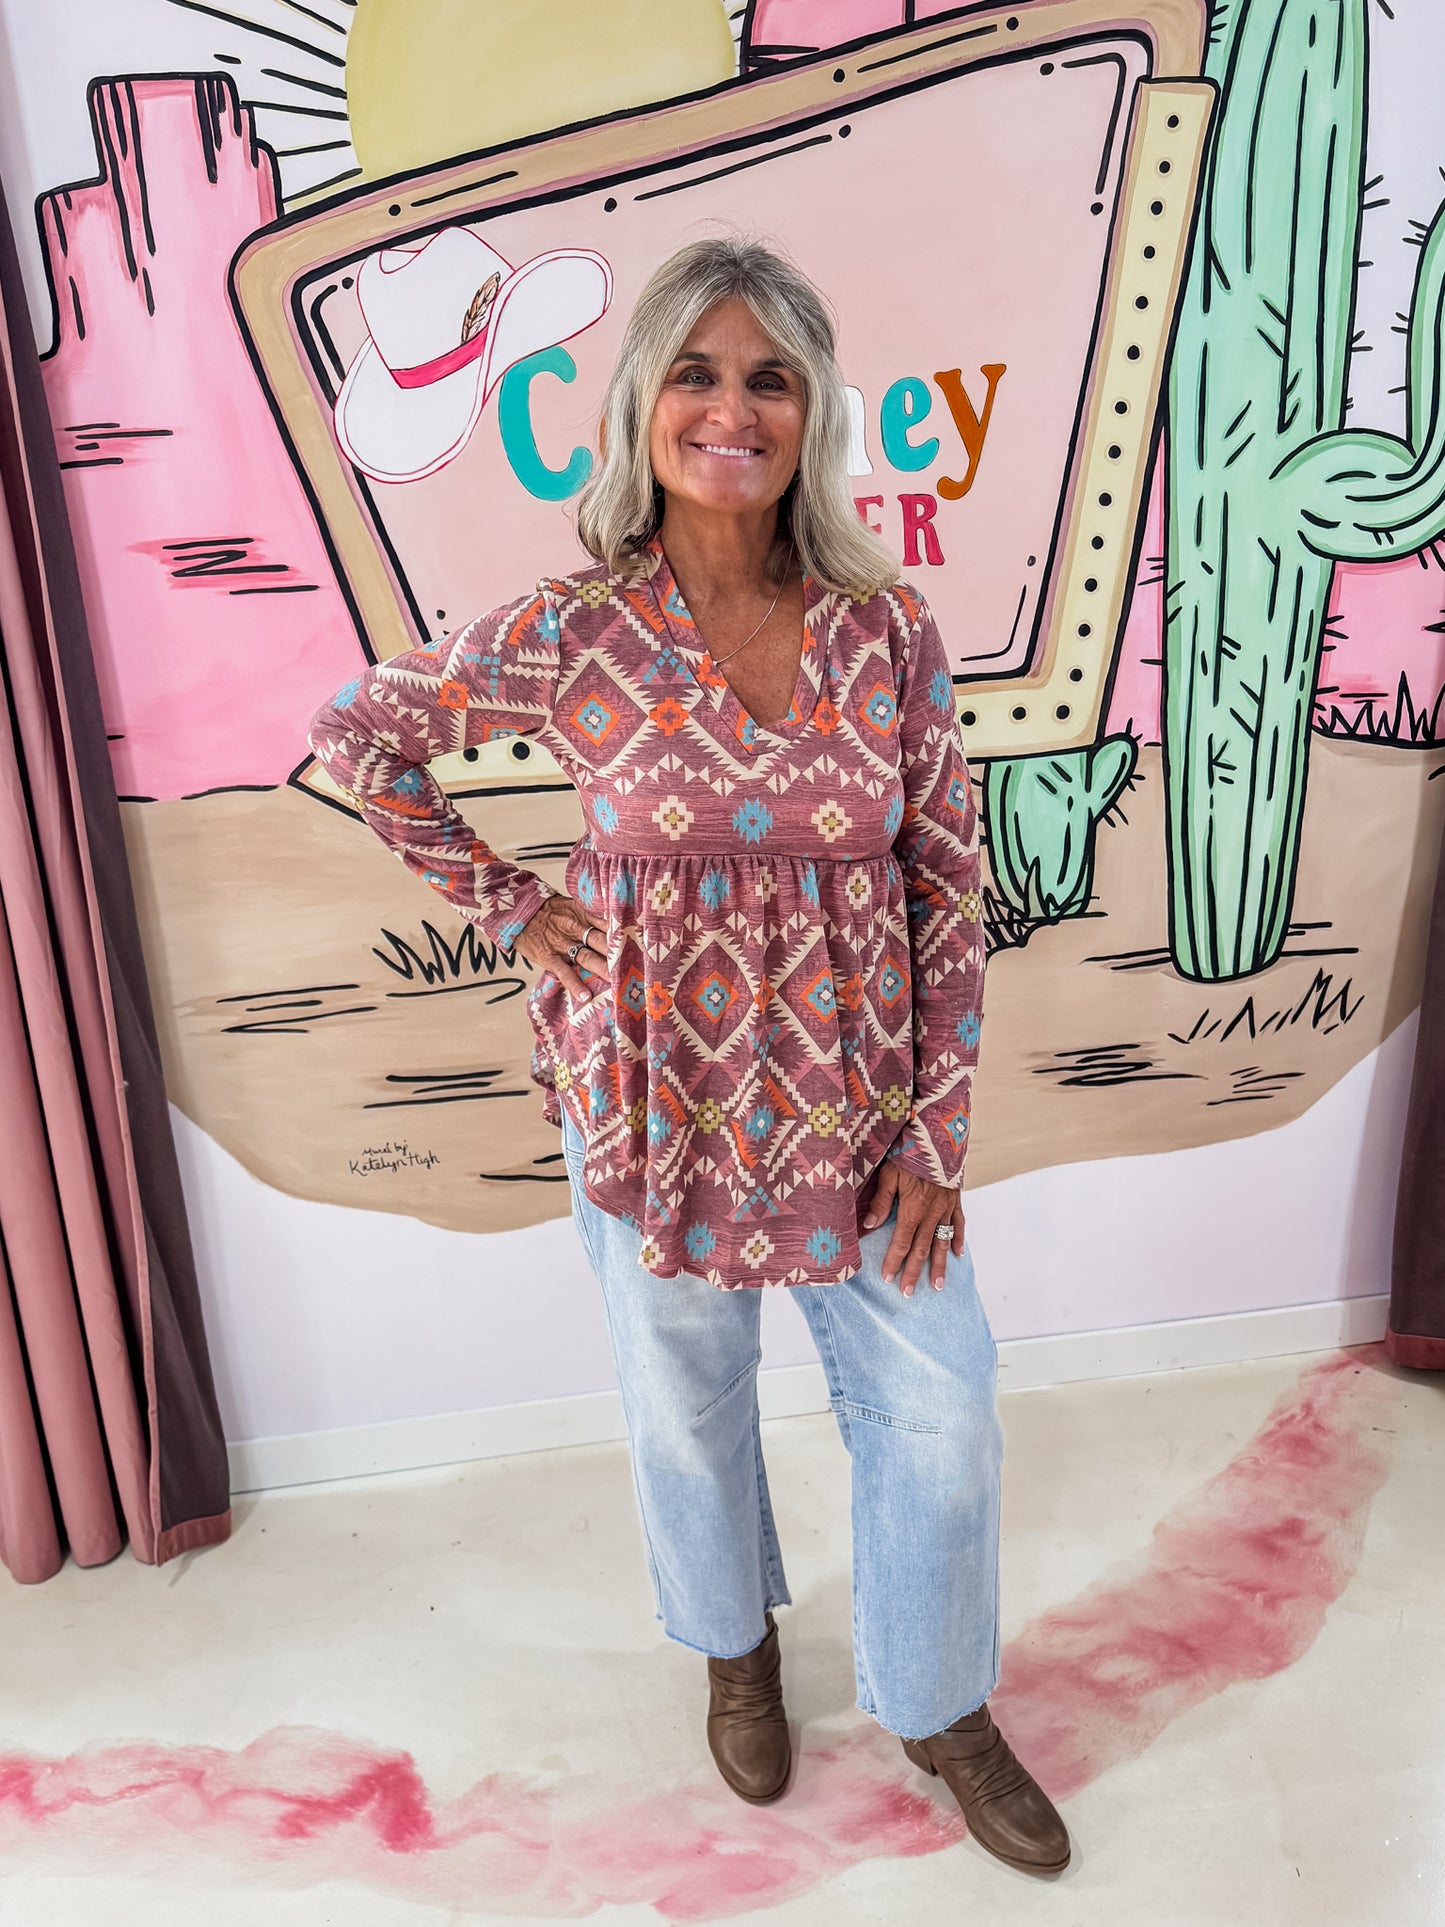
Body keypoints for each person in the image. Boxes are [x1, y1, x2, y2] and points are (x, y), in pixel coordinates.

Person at [308, 236, 1070, 1877]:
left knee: (940, 1409)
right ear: (644, 402)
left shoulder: (883, 627)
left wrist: (934, 1134)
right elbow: (361, 734)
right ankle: (733, 1649)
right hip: (648, 1104)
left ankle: (937, 1702)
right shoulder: (577, 628)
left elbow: (946, 880)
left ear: (813, 411)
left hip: (861, 1111)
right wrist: (513, 903)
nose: (733, 408)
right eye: (699, 373)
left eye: (770, 378)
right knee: (683, 1402)